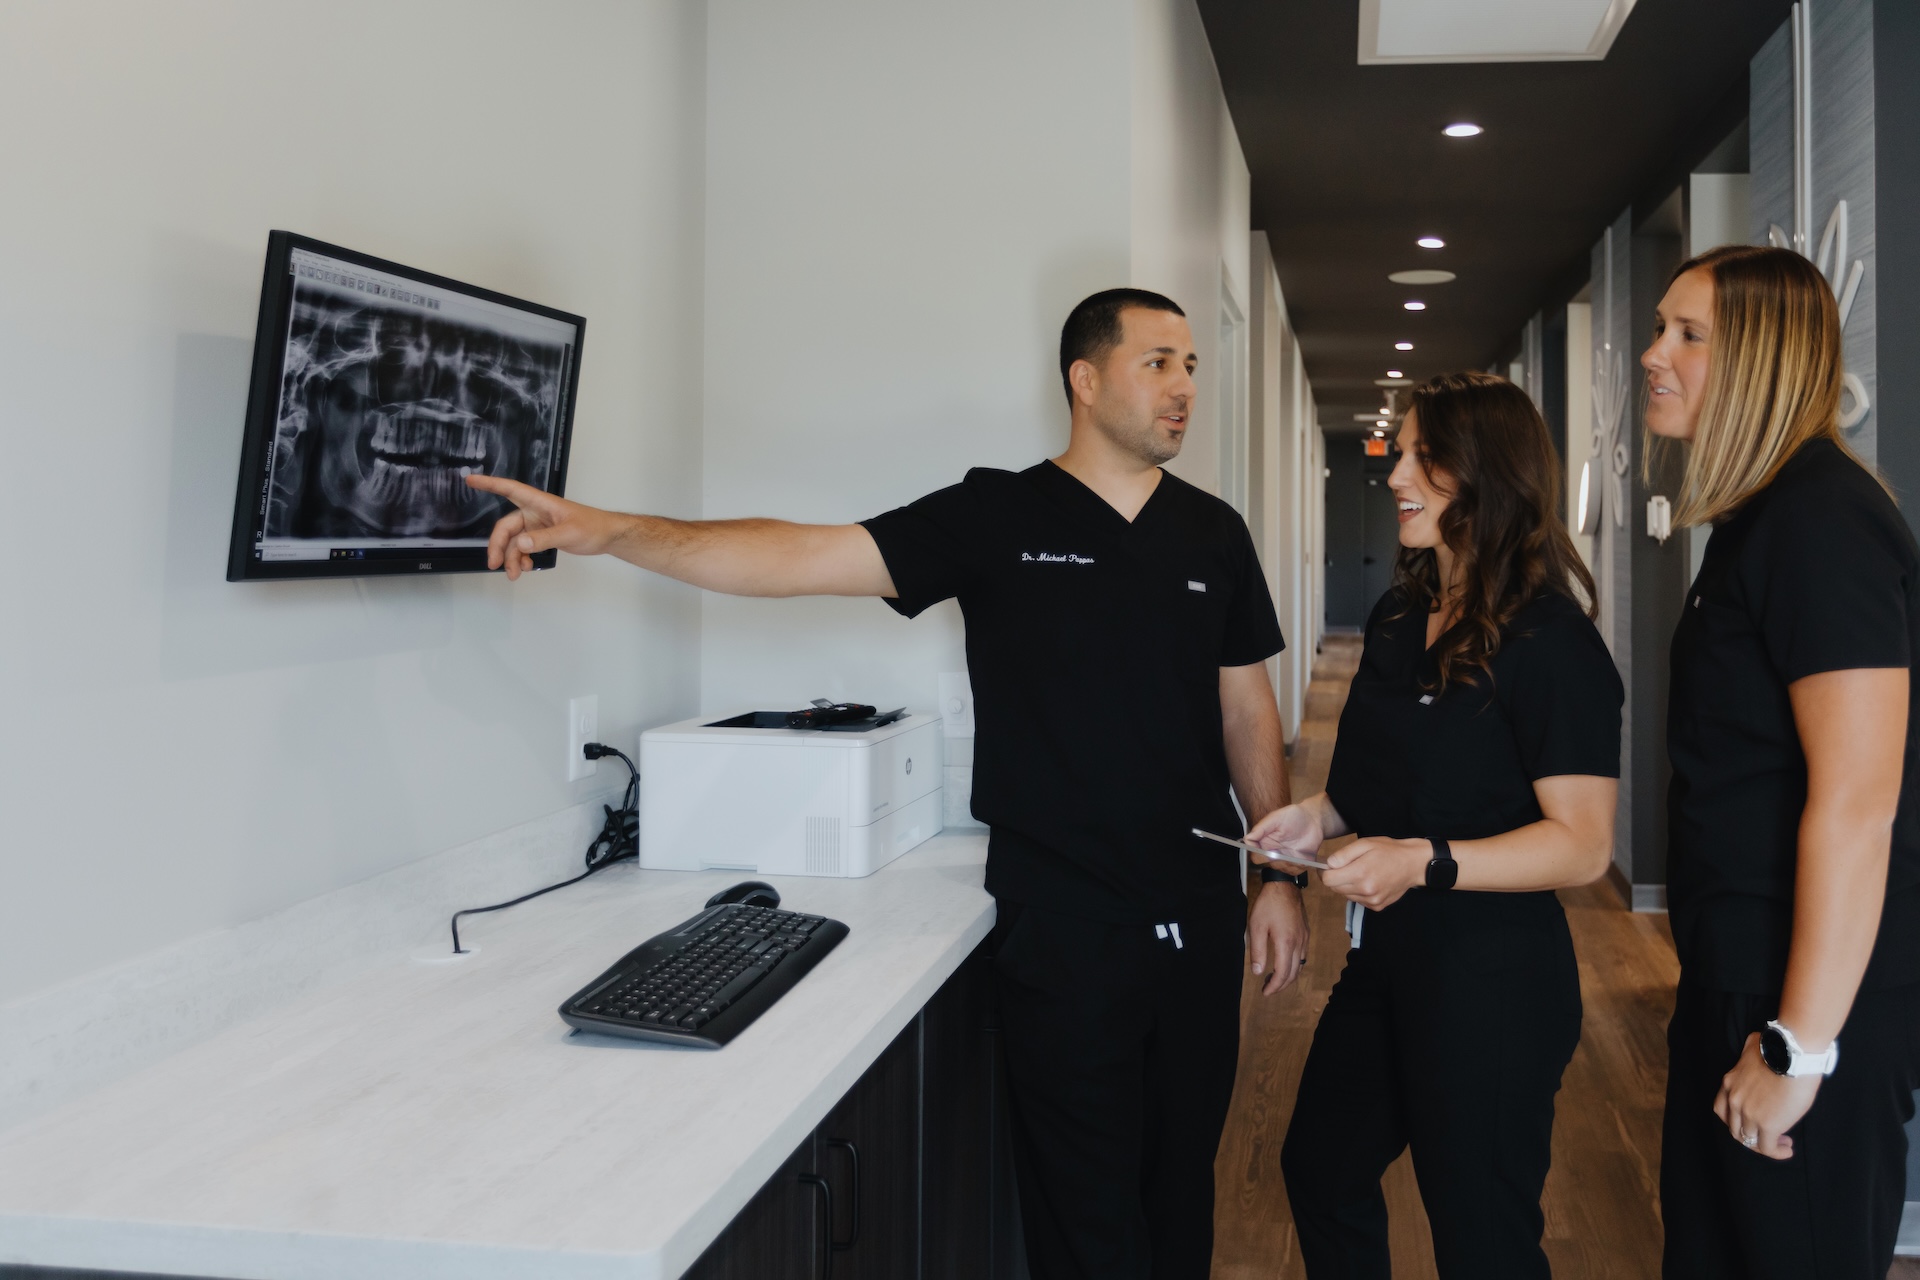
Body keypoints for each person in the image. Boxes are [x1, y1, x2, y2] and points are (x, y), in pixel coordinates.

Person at [467, 288, 1309, 1280]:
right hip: (1064, 923)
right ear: (1085, 381)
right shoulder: (996, 512)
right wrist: (614, 529)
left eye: (1192, 366)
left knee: (1180, 1191)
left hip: (1195, 914)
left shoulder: (1213, 532)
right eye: (1158, 362)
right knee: (1085, 1217)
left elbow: (1246, 706)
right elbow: (801, 553)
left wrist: (1280, 872)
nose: (1183, 388)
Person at [1246, 372, 1622, 1279]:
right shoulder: (1398, 614)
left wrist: (1425, 862)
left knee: (1482, 1239)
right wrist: (1310, 819)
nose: (1397, 474)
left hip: (1493, 981)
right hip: (1386, 967)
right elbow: (1371, 784)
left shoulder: (1552, 642)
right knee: (1321, 1168)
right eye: (1401, 452)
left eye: (1424, 455)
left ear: (1487, 473)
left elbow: (1581, 843)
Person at [1645, 244, 1920, 1279]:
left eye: (1687, 334)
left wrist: (1798, 1046)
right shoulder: (1758, 520)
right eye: (1660, 327)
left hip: (1810, 1004)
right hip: (1741, 980)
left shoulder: (1823, 521)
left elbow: (1858, 801)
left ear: (1759, 359)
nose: (1652, 353)